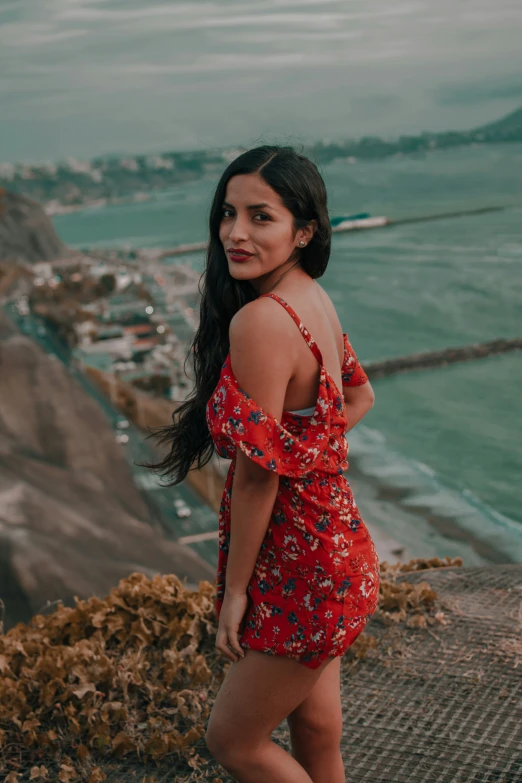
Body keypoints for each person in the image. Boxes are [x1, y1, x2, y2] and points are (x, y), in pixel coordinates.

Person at [152, 145, 380, 783]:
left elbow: (257, 475)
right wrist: (311, 456)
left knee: (233, 742)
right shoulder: (314, 303)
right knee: (314, 732)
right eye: (228, 213)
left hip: (298, 562)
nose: (234, 232)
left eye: (261, 217)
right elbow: (360, 396)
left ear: (303, 230)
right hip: (339, 550)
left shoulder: (261, 321)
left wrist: (234, 594)